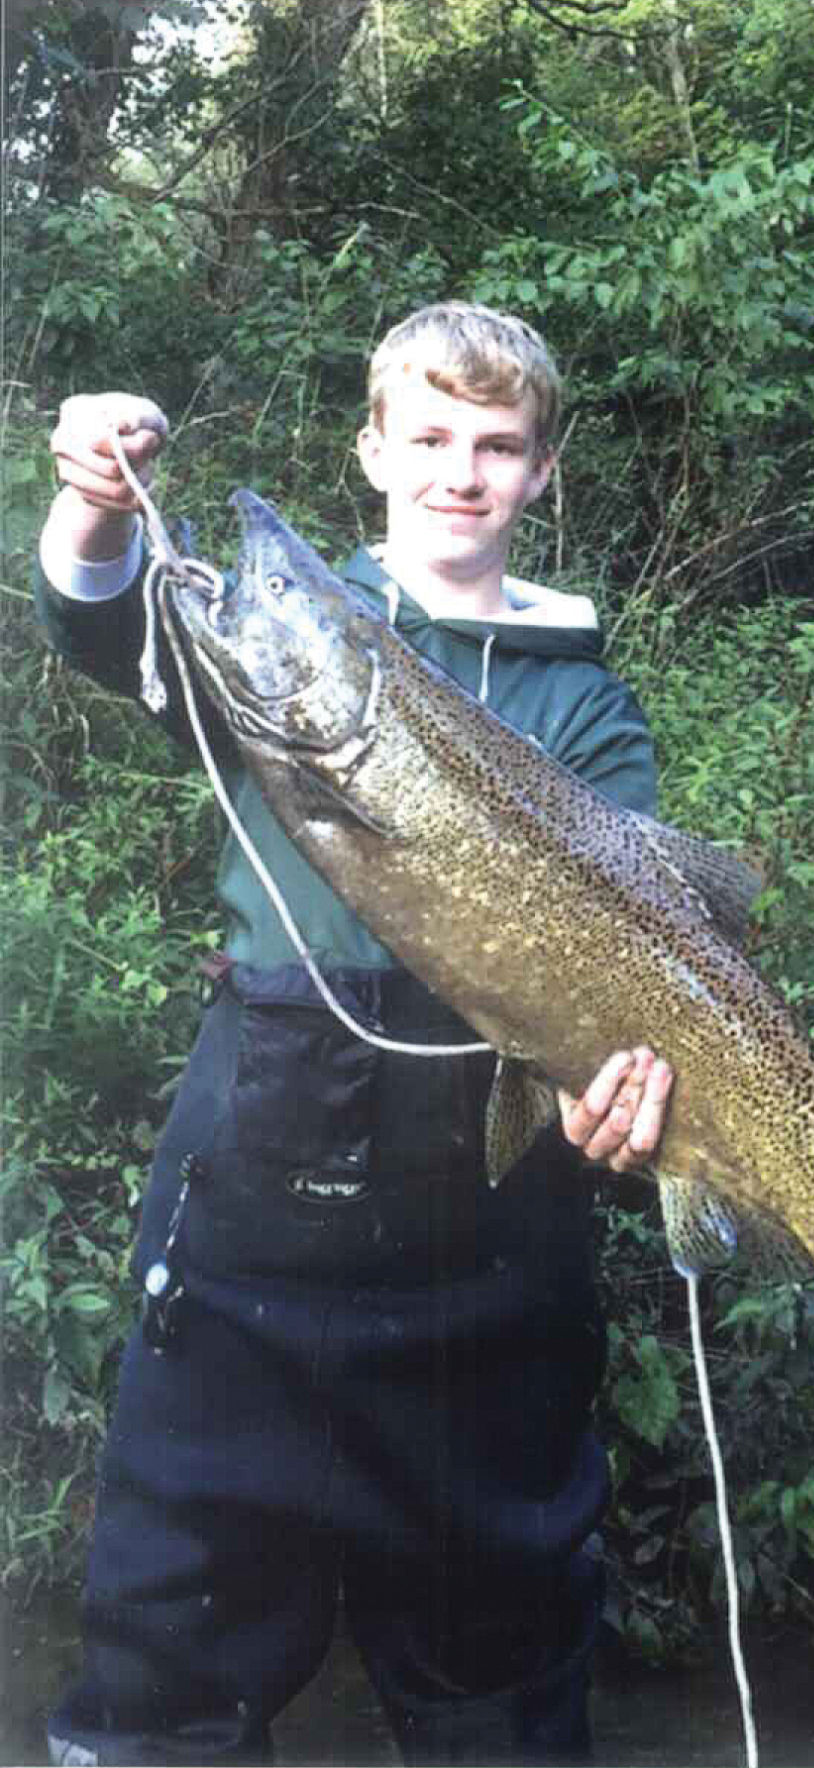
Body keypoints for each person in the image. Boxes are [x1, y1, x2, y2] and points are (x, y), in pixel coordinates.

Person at [36, 302, 674, 1766]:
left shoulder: (585, 698)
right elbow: (100, 610)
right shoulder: (285, 635)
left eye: (498, 446)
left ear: (541, 472)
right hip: (254, 1168)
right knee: (167, 1664)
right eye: (432, 438)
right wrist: (89, 497)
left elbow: (644, 940)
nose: (463, 471)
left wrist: (625, 1091)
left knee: (498, 1676)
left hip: (495, 1216)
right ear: (373, 449)